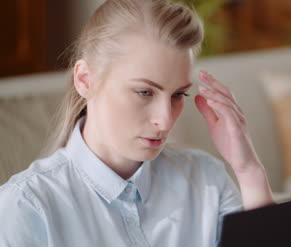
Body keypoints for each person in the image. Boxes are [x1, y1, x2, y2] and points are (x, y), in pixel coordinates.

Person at [0, 0, 274, 246]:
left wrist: (248, 169)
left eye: (178, 95)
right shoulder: (26, 207)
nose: (165, 120)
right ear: (85, 80)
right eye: (144, 92)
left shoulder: (207, 180)